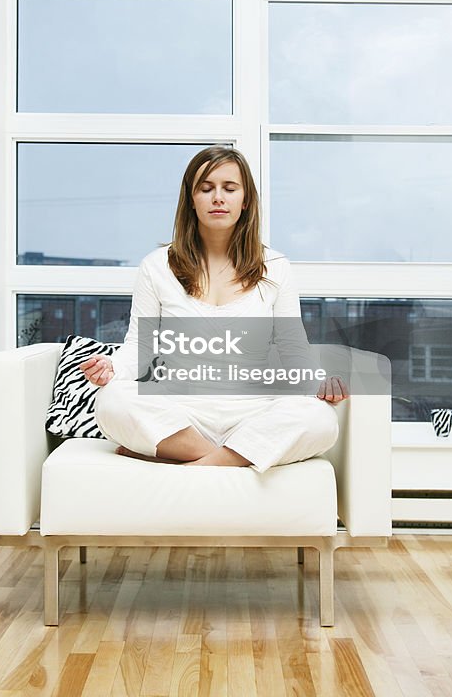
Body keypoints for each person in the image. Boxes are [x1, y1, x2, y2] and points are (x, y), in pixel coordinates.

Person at [80, 145, 349, 471]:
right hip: (181, 412)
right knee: (112, 401)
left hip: (253, 411)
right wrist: (111, 367)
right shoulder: (156, 266)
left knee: (320, 420)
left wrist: (318, 383)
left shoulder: (276, 266)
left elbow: (293, 349)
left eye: (229, 188)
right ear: (191, 200)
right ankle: (232, 457)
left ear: (245, 200)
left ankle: (188, 462)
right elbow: (140, 346)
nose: (218, 198)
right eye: (206, 189)